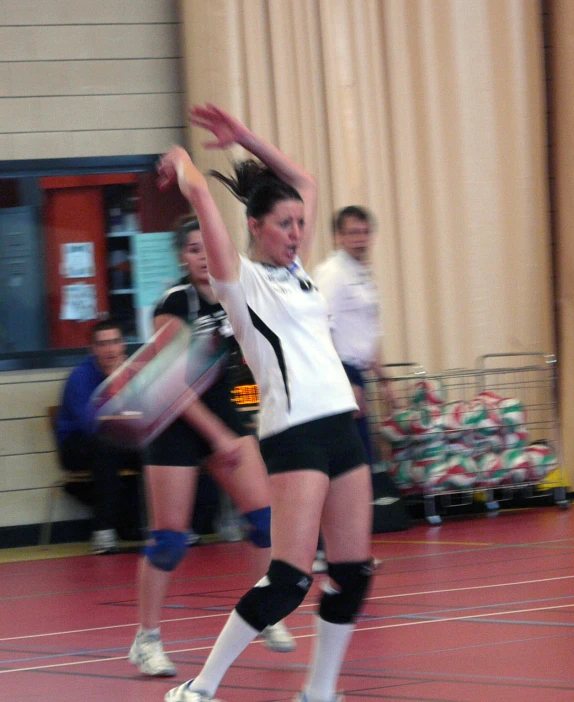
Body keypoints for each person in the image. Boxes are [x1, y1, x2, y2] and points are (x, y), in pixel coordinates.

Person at [157, 103, 374, 702]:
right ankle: (202, 687)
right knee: (289, 580)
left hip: (340, 430)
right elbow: (207, 204)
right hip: (295, 435)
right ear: (255, 227)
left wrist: (243, 138)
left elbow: (300, 180)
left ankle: (319, 692)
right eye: (284, 225)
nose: (296, 234)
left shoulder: (299, 273)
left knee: (353, 576)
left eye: (301, 224)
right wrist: (186, 168)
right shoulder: (241, 284)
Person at [128, 215, 295, 679]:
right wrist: (218, 438)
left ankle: (265, 614)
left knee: (264, 520)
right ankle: (147, 639)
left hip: (223, 414)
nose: (204, 257)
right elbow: (171, 381)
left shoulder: (231, 292)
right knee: (169, 540)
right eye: (195, 250)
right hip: (173, 422)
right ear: (183, 256)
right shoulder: (173, 303)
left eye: (210, 248)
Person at [312, 206, 395, 573]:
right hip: (339, 376)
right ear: (338, 236)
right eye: (352, 233)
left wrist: (382, 376)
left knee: (356, 467)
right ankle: (329, 551)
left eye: (364, 231)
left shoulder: (362, 274)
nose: (359, 239)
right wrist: (344, 382)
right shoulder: (333, 274)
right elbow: (320, 327)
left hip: (357, 373)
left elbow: (366, 331)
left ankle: (349, 551)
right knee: (344, 467)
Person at [55, 319, 142, 554]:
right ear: (93, 349)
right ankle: (103, 531)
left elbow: (149, 412)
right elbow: (92, 424)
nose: (110, 350)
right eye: (103, 344)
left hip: (123, 441)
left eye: (115, 342)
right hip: (77, 444)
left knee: (162, 448)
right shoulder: (80, 377)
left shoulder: (136, 372)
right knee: (104, 447)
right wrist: (116, 383)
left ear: (123, 344)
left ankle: (169, 527)